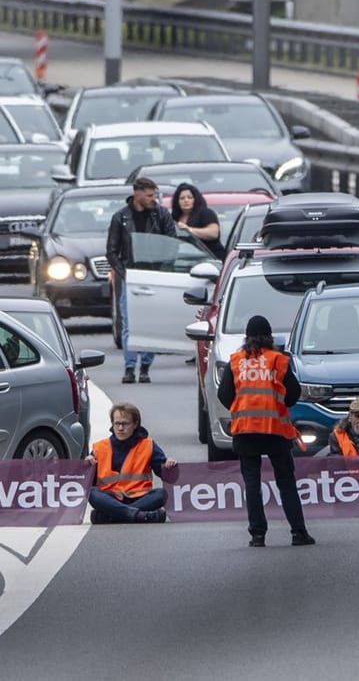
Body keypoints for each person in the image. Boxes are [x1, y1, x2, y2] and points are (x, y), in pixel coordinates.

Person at [218, 314, 313, 547]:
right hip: (275, 431)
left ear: (247, 337)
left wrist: (242, 406)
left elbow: (224, 395)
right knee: (286, 482)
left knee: (252, 484)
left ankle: (257, 535)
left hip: (245, 431)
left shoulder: (236, 361)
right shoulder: (277, 360)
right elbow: (293, 395)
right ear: (269, 337)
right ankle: (298, 532)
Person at [106, 176, 177, 384]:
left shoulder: (161, 215)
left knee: (150, 322)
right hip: (131, 275)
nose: (153, 199)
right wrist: (124, 273)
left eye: (154, 195)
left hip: (153, 275)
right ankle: (129, 367)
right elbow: (111, 251)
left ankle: (145, 366)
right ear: (137, 193)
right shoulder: (121, 218)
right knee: (128, 322)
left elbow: (172, 243)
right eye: (149, 195)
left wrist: (163, 271)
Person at [86, 401, 176, 524]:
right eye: (117, 424)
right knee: (92, 493)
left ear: (135, 424)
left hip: (140, 497)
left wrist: (168, 466)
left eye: (125, 424)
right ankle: (136, 515)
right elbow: (86, 482)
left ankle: (111, 516)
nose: (120, 428)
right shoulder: (100, 447)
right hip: (110, 498)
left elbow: (167, 477)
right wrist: (88, 466)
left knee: (162, 494)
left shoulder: (147, 445)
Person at [170, 182, 223, 259]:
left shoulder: (206, 213)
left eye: (189, 197)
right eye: (182, 198)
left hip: (212, 258)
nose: (186, 200)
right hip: (184, 259)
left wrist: (189, 230)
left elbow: (213, 233)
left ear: (196, 199)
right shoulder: (174, 217)